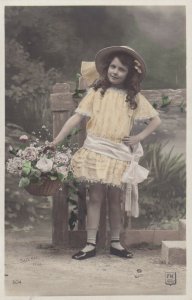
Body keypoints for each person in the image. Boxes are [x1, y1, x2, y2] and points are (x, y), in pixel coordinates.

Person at [49, 46, 161, 260]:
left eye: (121, 69)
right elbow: (76, 118)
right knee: (95, 197)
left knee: (115, 199)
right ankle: (90, 244)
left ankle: (116, 243)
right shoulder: (96, 92)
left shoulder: (133, 97)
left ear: (129, 74)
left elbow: (155, 120)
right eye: (113, 66)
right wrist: (56, 141)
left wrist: (138, 137)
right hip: (96, 149)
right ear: (107, 68)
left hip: (118, 153)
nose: (115, 72)